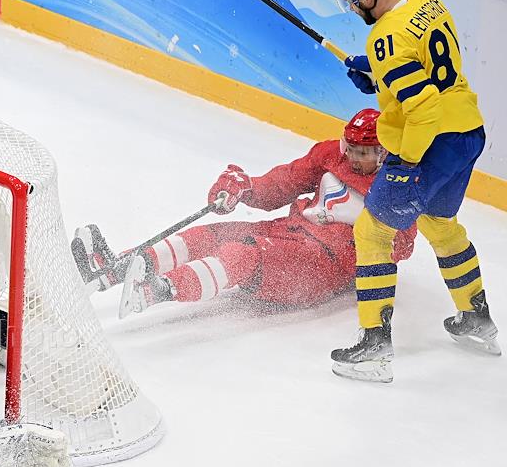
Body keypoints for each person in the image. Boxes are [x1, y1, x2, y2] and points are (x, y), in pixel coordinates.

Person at [330, 0, 498, 381]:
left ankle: (374, 346)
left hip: (432, 143)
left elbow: (422, 106)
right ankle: (476, 318)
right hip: (467, 133)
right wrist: (380, 73)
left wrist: (406, 161)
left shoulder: (383, 39)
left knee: (372, 231)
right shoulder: (428, 4)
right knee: (440, 225)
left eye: (351, 0)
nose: (352, 8)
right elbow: (424, 67)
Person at [73, 110, 415, 315]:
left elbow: (401, 245)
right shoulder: (330, 155)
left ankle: (155, 291)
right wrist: (247, 187)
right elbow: (286, 181)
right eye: (349, 148)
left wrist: (372, 247)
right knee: (213, 235)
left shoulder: (397, 185)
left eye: (362, 153)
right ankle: (117, 268)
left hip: (321, 264)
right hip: (290, 231)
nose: (351, 158)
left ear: (383, 152)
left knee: (243, 253)